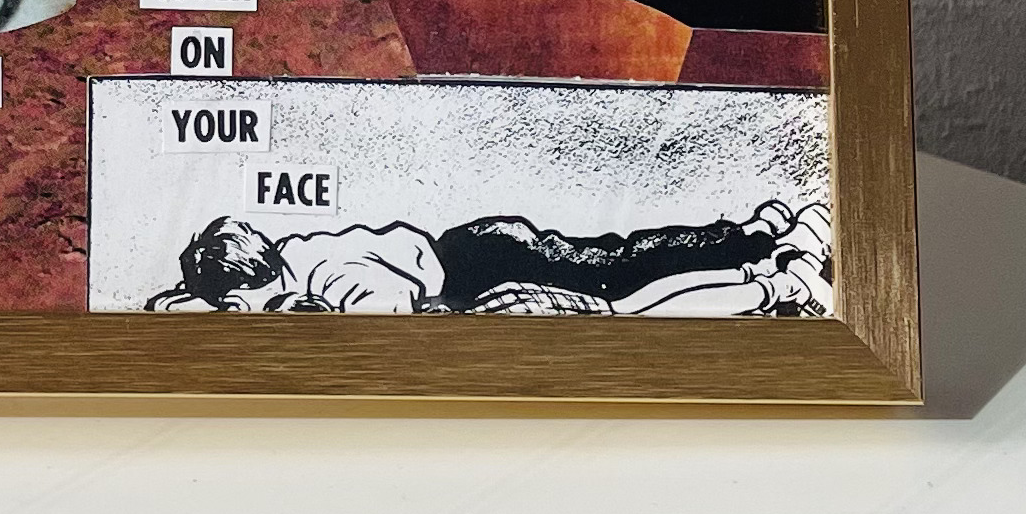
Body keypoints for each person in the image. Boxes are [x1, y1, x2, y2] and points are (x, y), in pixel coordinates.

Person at [148, 197, 831, 316]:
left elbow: (396, 311)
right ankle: (754, 235)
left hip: (485, 262)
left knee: (618, 268)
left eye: (230, 309)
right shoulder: (289, 258)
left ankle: (754, 237)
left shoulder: (331, 276)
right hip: (468, 253)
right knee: (617, 266)